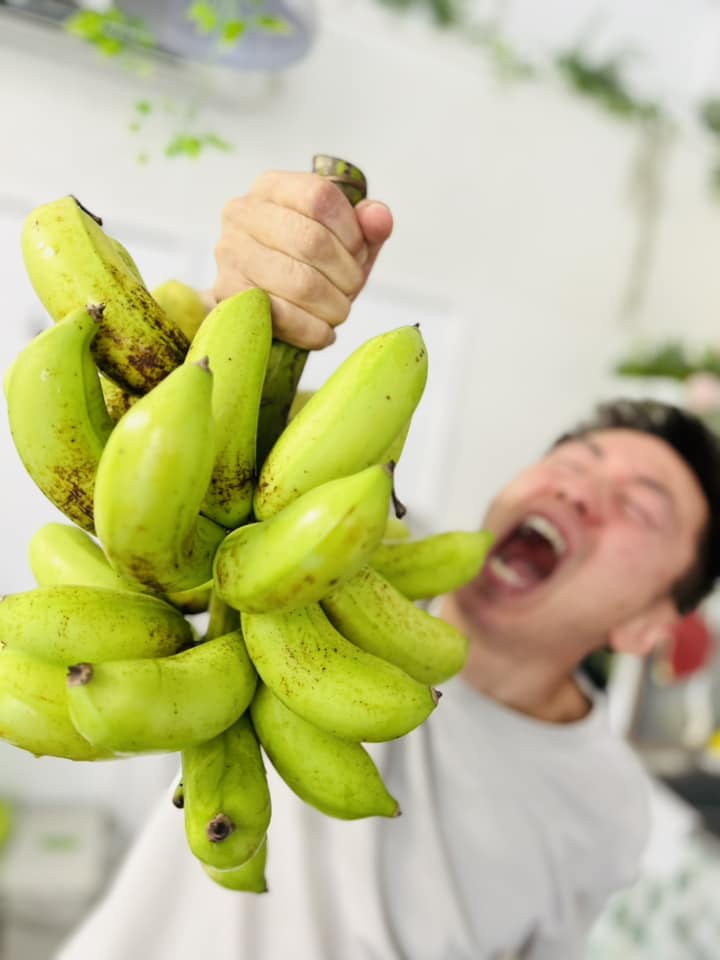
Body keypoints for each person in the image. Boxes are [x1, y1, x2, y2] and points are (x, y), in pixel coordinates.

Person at [57, 170, 720, 960]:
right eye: (576, 461)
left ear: (649, 626)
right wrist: (249, 300)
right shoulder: (341, 547)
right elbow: (193, 458)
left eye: (640, 507)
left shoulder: (610, 811)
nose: (581, 490)